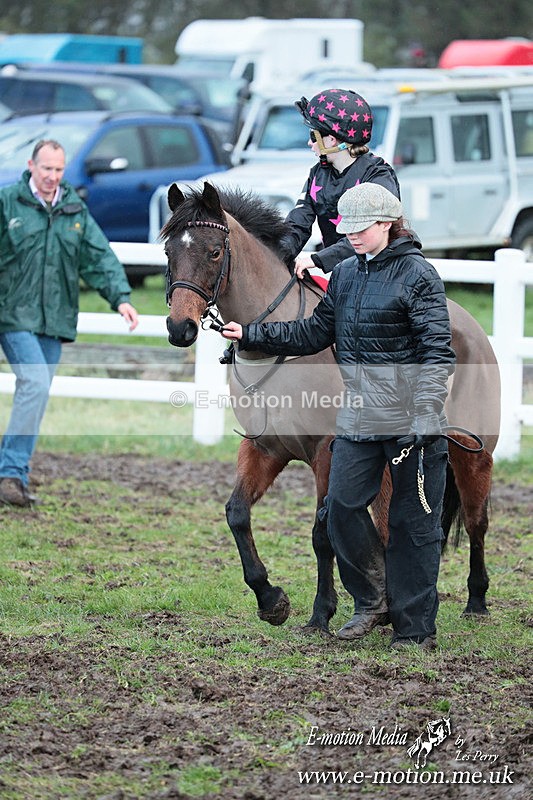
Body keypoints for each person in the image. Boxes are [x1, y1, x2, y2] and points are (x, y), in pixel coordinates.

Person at [222, 182, 456, 650]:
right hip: (358, 415)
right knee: (339, 509)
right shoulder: (347, 274)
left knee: (413, 525)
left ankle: (414, 629)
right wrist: (251, 332)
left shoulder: (418, 276)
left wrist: (427, 416)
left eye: (360, 228)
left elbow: (437, 352)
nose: (350, 236)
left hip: (411, 418)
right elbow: (313, 332)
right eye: (346, 228)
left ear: (387, 224)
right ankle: (371, 600)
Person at [0, 139, 138, 508]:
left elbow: (99, 256)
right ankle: (9, 472)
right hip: (13, 314)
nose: (52, 176)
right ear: (31, 165)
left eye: (59, 170)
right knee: (35, 382)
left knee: (38, 392)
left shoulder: (73, 208)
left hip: (55, 316)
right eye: (46, 168)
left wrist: (121, 297)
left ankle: (17, 478)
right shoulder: (7, 203)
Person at [281, 88, 401, 279]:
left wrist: (318, 259)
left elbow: (366, 234)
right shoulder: (317, 173)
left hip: (382, 273)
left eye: (313, 136)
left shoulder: (378, 174)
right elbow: (298, 223)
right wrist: (277, 252)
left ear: (331, 139)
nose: (309, 143)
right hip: (342, 272)